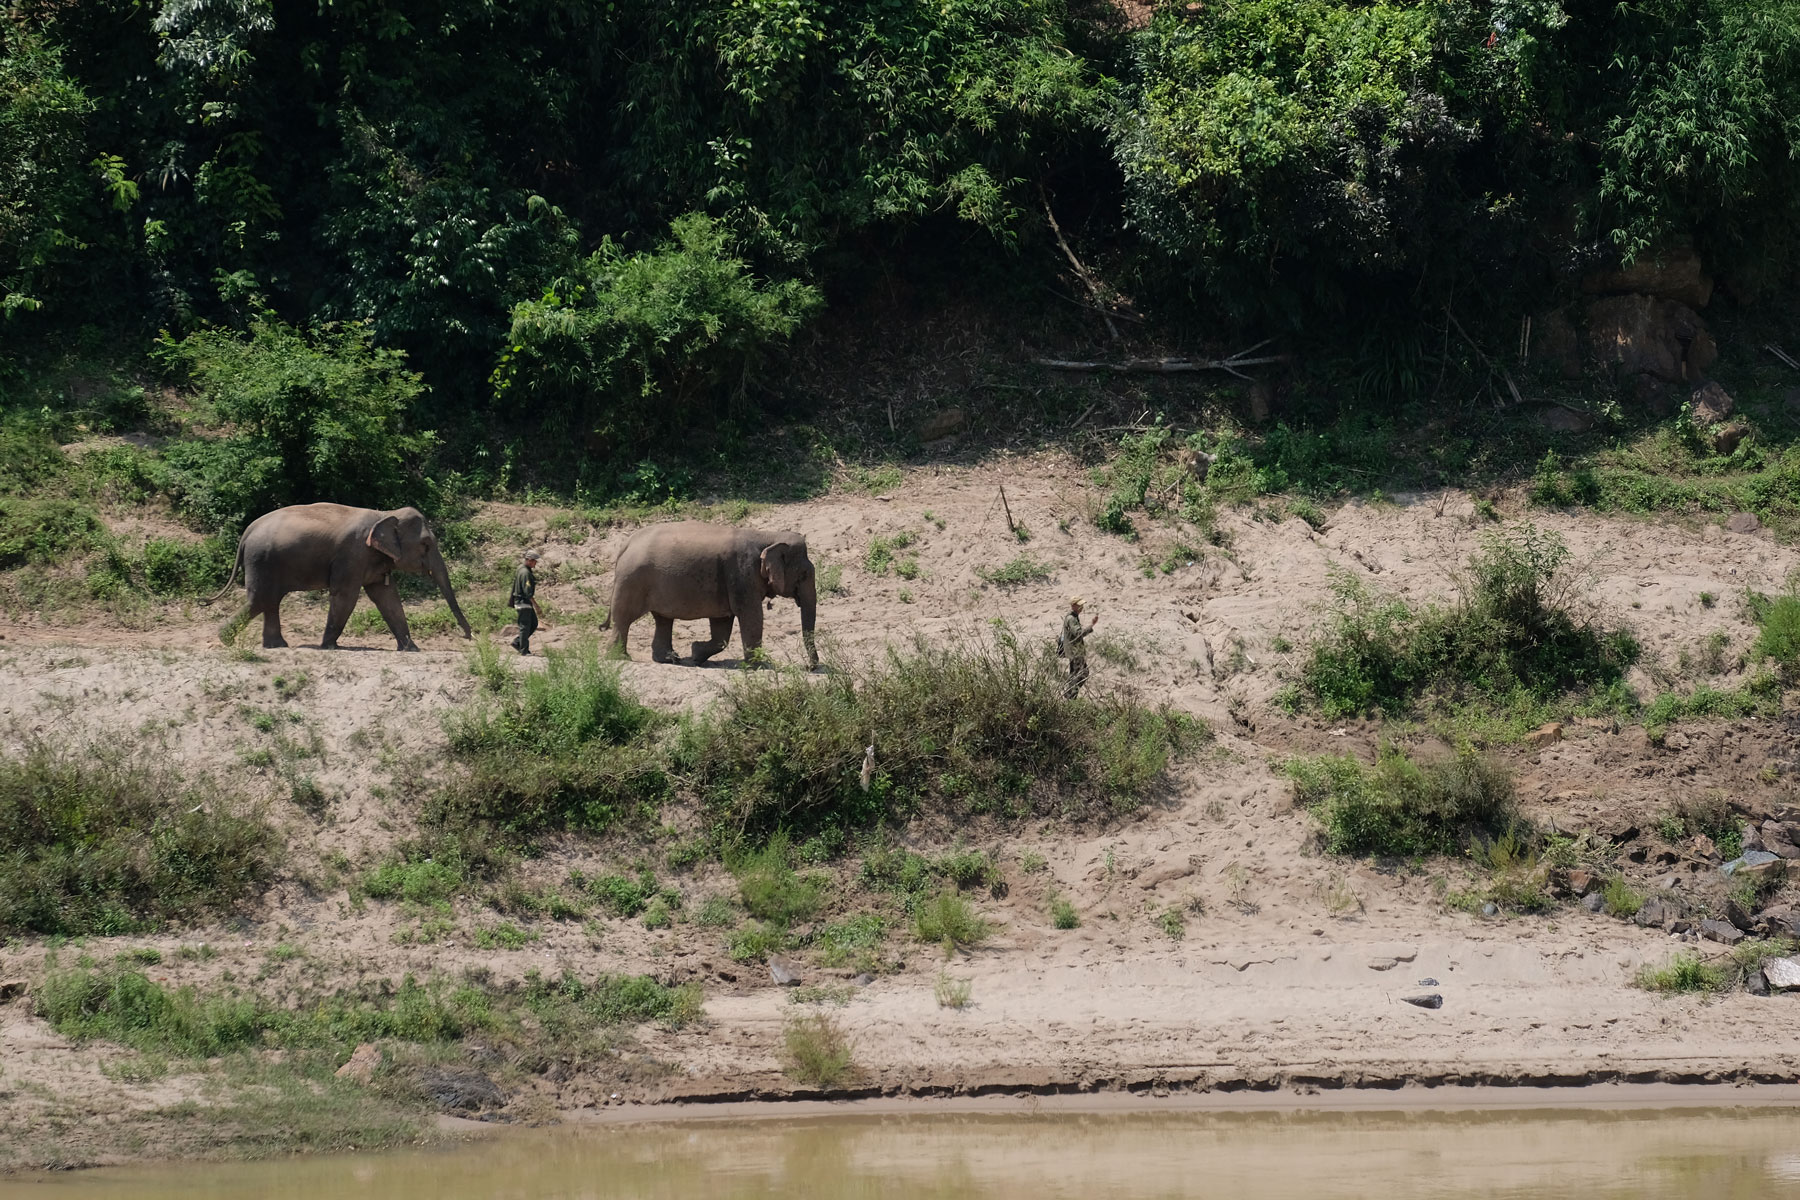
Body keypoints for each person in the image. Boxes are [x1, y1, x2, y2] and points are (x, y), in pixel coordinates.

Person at [1059, 595, 1097, 698]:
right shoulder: (1072, 619)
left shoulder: (1072, 617)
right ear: (1073, 606)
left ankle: (1070, 695)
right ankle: (1070, 694)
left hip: (1073, 651)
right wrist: (1091, 626)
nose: (1082, 607)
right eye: (1079, 605)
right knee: (1082, 673)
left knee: (1075, 674)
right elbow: (1078, 633)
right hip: (1075, 652)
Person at [509, 550, 542, 655]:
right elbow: (528, 592)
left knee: (533, 623)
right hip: (523, 602)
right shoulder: (525, 573)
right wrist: (537, 606)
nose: (535, 563)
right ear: (529, 560)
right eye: (534, 561)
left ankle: (518, 642)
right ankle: (523, 650)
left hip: (522, 602)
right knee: (525, 626)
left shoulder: (521, 569)